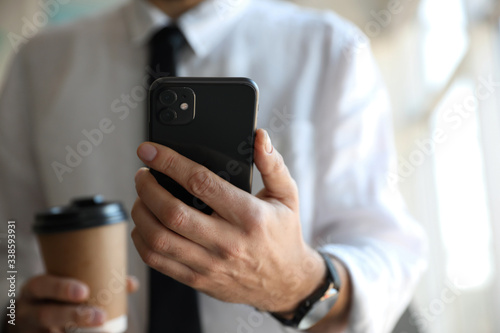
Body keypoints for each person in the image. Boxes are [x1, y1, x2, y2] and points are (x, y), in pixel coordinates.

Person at [0, 0, 427, 332]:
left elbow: (386, 252)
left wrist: (296, 283)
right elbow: (10, 242)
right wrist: (14, 314)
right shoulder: (39, 65)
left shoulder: (331, 50)